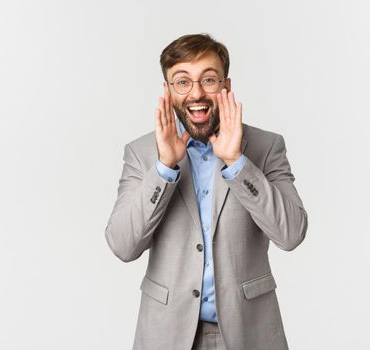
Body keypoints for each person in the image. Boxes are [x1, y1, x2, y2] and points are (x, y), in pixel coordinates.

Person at [105, 33, 308, 350]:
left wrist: (237, 162)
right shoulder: (142, 153)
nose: (196, 93)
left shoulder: (267, 147)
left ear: (226, 86)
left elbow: (291, 233)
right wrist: (164, 168)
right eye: (182, 82)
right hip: (165, 334)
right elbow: (122, 245)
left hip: (249, 333)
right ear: (169, 91)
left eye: (208, 80)